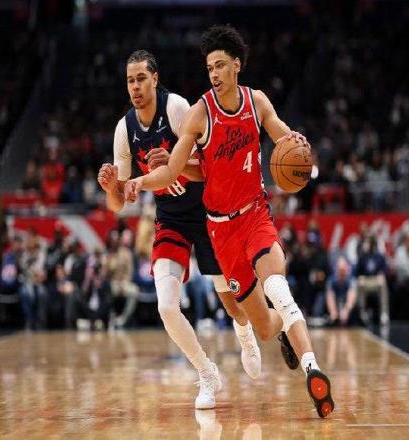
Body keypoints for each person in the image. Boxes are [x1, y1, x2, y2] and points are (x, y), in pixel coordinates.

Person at [123, 26, 334, 418]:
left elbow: (285, 139)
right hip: (220, 231)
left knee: (277, 286)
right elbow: (172, 171)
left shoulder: (257, 102)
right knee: (264, 326)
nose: (214, 73)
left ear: (237, 65)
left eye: (220, 65)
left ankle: (313, 370)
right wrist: (139, 181)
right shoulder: (200, 114)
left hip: (255, 214)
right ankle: (280, 334)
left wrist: (300, 148)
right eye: (209, 68)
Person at [97, 50, 261, 410]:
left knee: (231, 302)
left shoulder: (176, 108)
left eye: (141, 78)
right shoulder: (124, 129)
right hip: (170, 218)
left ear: (155, 79)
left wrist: (174, 164)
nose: (135, 86)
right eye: (130, 80)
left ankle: (245, 333)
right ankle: (207, 372)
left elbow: (210, 163)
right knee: (167, 307)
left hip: (207, 212)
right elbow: (118, 203)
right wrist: (111, 188)